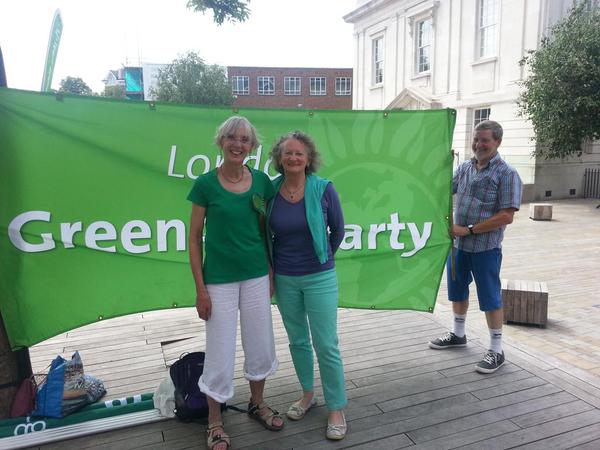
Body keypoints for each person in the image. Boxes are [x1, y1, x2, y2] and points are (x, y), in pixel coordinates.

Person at [188, 116, 283, 450]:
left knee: (260, 342)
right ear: (221, 141)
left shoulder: (262, 182)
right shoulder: (205, 185)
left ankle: (257, 403)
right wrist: (200, 289)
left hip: (257, 275)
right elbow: (194, 240)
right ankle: (215, 420)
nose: (238, 144)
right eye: (232, 137)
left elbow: (267, 231)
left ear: (252, 146)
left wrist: (271, 272)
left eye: (245, 139)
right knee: (220, 349)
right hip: (218, 282)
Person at [267, 131, 348, 440]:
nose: (293, 158)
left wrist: (322, 257)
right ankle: (307, 394)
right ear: (279, 158)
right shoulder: (271, 191)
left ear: (308, 158)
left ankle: (337, 407)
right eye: (288, 153)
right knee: (298, 341)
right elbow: (266, 234)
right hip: (285, 278)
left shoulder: (323, 188)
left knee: (326, 344)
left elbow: (337, 230)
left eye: (299, 153)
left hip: (320, 276)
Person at [429, 120, 522, 374]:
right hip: (458, 246)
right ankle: (458, 335)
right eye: (476, 139)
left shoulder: (507, 173)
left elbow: (506, 216)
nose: (478, 144)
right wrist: (440, 164)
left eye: (485, 140)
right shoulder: (466, 167)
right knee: (457, 292)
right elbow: (444, 190)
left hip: (485, 248)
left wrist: (468, 229)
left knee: (490, 297)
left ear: (497, 143)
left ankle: (496, 350)